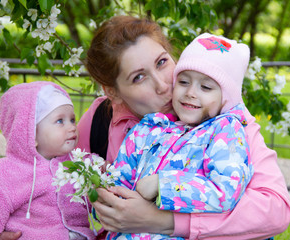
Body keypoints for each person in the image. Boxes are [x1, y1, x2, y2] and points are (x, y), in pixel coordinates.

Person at [0, 15, 290, 239]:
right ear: (112, 92)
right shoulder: (100, 122)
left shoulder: (224, 121)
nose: (165, 84)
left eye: (163, 62)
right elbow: (39, 176)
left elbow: (275, 210)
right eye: (139, 77)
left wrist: (163, 221)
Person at [105, 33, 254, 240]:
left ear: (226, 97)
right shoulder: (147, 129)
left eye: (206, 87)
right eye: (183, 82)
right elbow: (119, 179)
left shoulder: (226, 131)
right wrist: (108, 202)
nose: (191, 93)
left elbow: (225, 190)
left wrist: (163, 185)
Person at [0, 82, 96, 239]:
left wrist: (101, 175)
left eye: (72, 120)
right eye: (60, 121)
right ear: (30, 134)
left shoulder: (80, 164)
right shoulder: (4, 175)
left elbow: (101, 192)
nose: (72, 127)